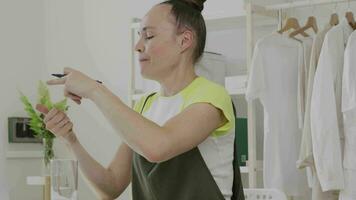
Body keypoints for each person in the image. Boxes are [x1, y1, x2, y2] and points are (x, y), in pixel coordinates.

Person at [36, 0, 243, 199]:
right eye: (139, 36)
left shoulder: (212, 97)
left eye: (149, 36)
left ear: (184, 40)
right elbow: (110, 186)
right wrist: (70, 140)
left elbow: (159, 146)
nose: (137, 46)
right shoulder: (145, 104)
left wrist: (95, 90)